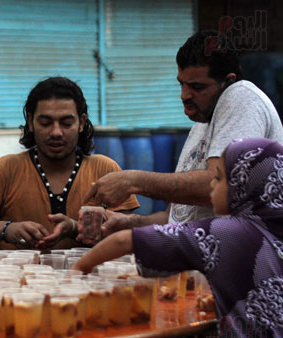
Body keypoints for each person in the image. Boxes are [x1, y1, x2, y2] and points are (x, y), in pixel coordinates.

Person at [74, 137, 283, 338]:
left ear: (243, 183)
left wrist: (77, 270)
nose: (212, 184)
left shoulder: (227, 234)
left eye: (219, 177)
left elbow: (125, 241)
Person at [82, 30, 283, 236]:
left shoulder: (241, 97)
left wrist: (134, 181)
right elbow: (175, 219)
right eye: (182, 83)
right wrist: (129, 222)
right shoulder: (201, 124)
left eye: (197, 86)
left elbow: (216, 184)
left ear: (228, 81)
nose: (184, 95)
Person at [0, 77, 139, 250]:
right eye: (46, 123)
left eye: (66, 123)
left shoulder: (104, 170)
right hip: (18, 284)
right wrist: (6, 229)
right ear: (30, 123)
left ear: (81, 123)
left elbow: (130, 233)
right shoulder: (4, 170)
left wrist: (75, 228)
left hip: (94, 285)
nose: (56, 132)